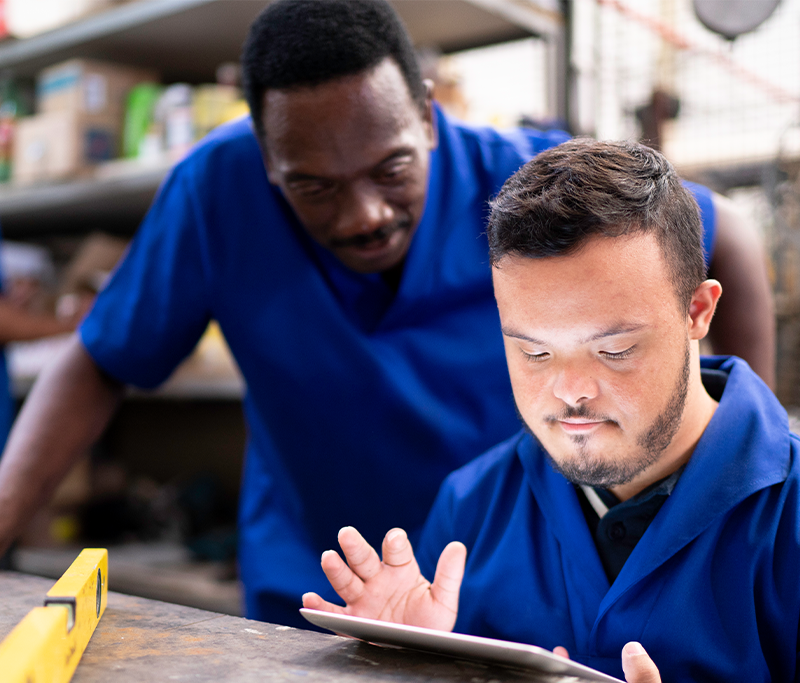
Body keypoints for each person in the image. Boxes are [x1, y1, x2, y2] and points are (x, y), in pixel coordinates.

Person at [0, 1, 776, 628]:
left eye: (392, 169)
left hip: (501, 588)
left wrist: (733, 462)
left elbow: (728, 235)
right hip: (317, 583)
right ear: (266, 160)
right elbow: (100, 359)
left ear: (429, 118)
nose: (364, 214)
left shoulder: (520, 186)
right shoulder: (216, 191)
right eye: (314, 187)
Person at [303, 139, 800, 683]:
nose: (570, 391)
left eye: (614, 350)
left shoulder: (790, 518)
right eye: (533, 353)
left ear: (698, 311)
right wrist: (409, 680)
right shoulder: (471, 507)